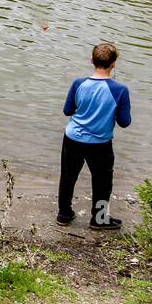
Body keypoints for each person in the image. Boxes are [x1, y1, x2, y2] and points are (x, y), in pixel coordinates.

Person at [58, 42, 131, 230]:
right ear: (114, 64)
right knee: (102, 182)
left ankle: (64, 214)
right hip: (100, 143)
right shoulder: (120, 90)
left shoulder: (78, 83)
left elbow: (67, 111)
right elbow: (124, 122)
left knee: (68, 176)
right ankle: (98, 219)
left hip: (72, 138)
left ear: (91, 60)